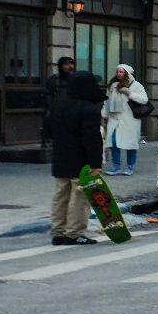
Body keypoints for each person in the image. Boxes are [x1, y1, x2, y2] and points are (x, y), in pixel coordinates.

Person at [45, 71, 105, 245]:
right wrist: (95, 164)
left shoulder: (58, 103)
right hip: (81, 160)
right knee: (80, 196)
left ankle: (58, 232)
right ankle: (74, 233)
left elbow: (48, 129)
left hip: (60, 156)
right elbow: (92, 139)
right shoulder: (89, 108)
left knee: (60, 195)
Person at [103, 64, 149, 177]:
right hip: (114, 119)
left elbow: (144, 100)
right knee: (113, 141)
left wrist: (129, 93)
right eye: (117, 71)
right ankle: (116, 166)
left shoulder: (136, 85)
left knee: (130, 144)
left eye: (121, 72)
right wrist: (104, 114)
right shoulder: (113, 85)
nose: (118, 74)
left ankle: (130, 166)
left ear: (127, 73)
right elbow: (107, 101)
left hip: (130, 120)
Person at [41, 56, 75, 144]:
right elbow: (48, 96)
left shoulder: (76, 80)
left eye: (71, 64)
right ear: (60, 66)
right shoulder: (54, 80)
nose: (70, 66)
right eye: (66, 64)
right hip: (58, 116)